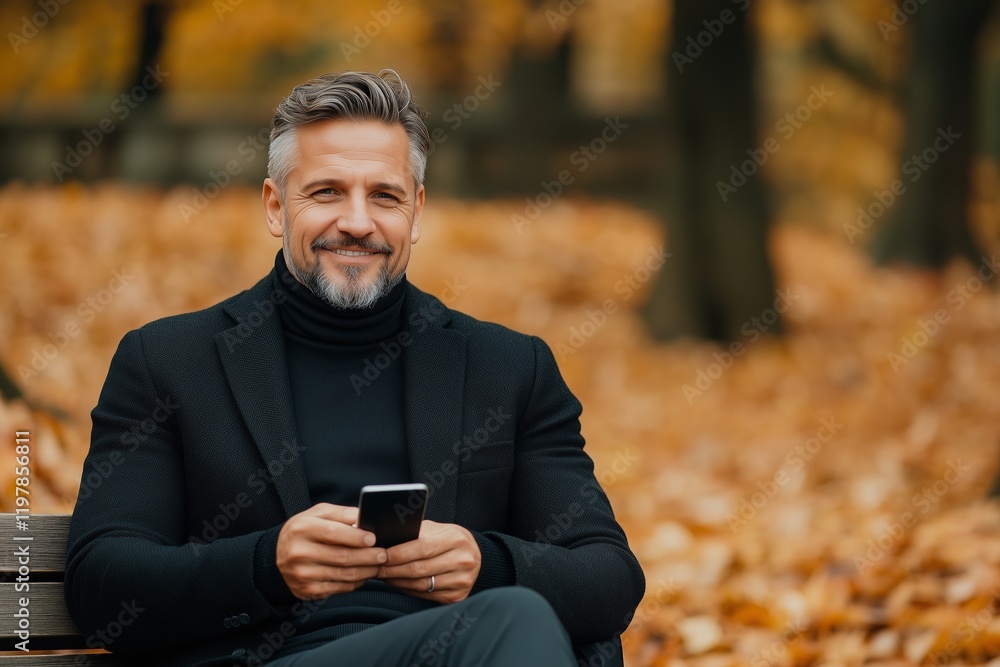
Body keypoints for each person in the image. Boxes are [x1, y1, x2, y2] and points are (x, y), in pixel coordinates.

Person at [65, 69, 645, 667]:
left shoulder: (509, 367)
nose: (358, 222)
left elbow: (607, 576)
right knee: (515, 621)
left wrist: (488, 564)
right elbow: (103, 585)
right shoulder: (169, 362)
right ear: (274, 205)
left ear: (416, 213)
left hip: (464, 647)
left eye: (385, 196)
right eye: (326, 192)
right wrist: (267, 565)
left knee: (512, 617)